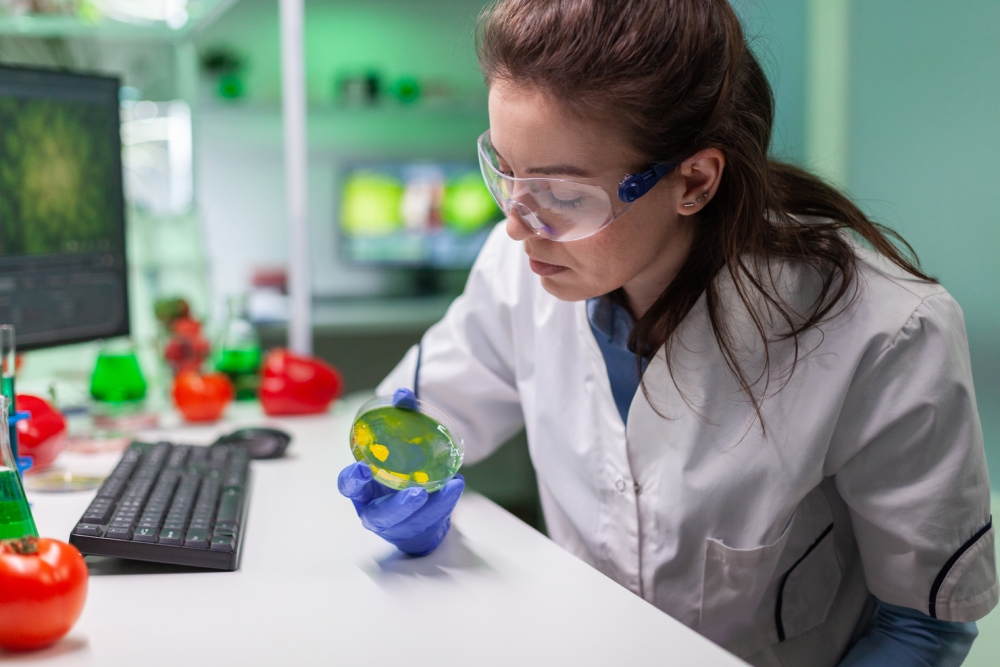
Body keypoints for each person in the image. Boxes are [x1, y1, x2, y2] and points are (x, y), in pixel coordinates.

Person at [338, 1, 997, 664]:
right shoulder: (519, 271)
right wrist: (404, 497)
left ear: (693, 180)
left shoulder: (886, 331)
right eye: (506, 173)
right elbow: (423, 415)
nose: (517, 224)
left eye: (562, 195)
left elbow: (921, 626)